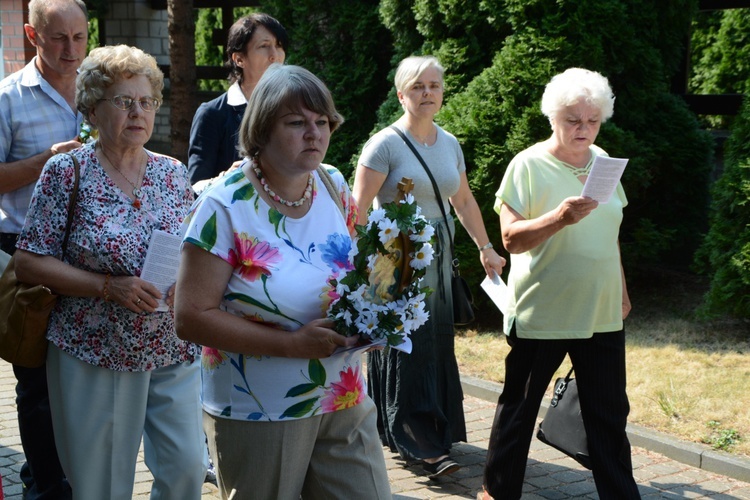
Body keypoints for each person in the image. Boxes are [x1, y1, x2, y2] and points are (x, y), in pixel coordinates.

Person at [175, 63, 391, 500]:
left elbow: (351, 273)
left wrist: (380, 314)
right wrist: (291, 345)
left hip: (343, 392)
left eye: (322, 121)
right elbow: (190, 317)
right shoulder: (224, 205)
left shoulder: (331, 183)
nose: (314, 133)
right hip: (260, 407)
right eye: (296, 122)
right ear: (261, 131)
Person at [13, 45, 205, 499]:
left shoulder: (172, 173)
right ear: (93, 109)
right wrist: (107, 287)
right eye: (123, 101)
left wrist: (188, 283)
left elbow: (193, 249)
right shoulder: (67, 171)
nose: (137, 112)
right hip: (96, 348)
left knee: (187, 470)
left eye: (146, 102)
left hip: (170, 346)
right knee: (103, 487)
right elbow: (27, 260)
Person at [479, 68, 640, 500]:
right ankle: (497, 493)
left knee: (608, 416)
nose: (583, 128)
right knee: (519, 408)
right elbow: (511, 239)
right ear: (553, 117)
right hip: (542, 311)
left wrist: (622, 290)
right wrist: (559, 218)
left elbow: (612, 233)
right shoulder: (527, 165)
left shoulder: (604, 163)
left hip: (601, 311)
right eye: (573, 119)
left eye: (592, 119)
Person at [352, 55, 506, 479]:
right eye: (418, 86)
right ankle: (418, 443)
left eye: (434, 86)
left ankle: (436, 429)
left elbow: (464, 201)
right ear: (401, 94)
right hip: (395, 254)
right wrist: (370, 267)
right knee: (407, 345)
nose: (427, 93)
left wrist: (486, 247)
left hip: (437, 252)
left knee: (436, 343)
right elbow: (358, 209)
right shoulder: (384, 144)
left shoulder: (450, 143)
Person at [0, 0, 89, 497]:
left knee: (78, 379)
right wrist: (44, 163)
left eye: (79, 37)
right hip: (25, 251)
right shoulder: (8, 98)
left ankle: (69, 475)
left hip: (90, 251)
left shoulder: (100, 85)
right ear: (33, 35)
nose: (71, 50)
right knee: (35, 383)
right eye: (59, 38)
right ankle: (44, 488)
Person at [188, 13, 288, 184]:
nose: (274, 55)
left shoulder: (290, 108)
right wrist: (228, 178)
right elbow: (195, 186)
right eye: (264, 46)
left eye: (279, 46)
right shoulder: (212, 114)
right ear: (239, 59)